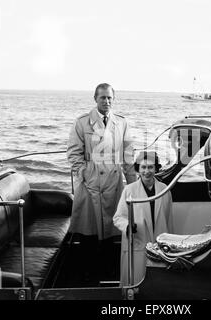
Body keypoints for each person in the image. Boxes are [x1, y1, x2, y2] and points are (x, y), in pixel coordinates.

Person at [67, 83, 137, 282]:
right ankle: (87, 274)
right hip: (90, 182)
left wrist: (133, 186)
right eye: (102, 98)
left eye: (109, 98)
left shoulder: (122, 123)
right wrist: (85, 173)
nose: (106, 101)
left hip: (114, 181)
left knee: (112, 229)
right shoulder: (82, 123)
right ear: (95, 99)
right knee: (88, 230)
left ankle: (109, 270)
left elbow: (128, 156)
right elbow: (73, 154)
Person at [113, 151, 173, 286]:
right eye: (143, 167)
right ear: (138, 169)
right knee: (135, 283)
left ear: (156, 168)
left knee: (158, 285)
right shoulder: (129, 190)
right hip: (137, 243)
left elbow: (169, 220)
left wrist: (170, 245)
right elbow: (118, 218)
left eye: (151, 167)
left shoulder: (165, 190)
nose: (147, 171)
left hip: (159, 245)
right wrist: (128, 226)